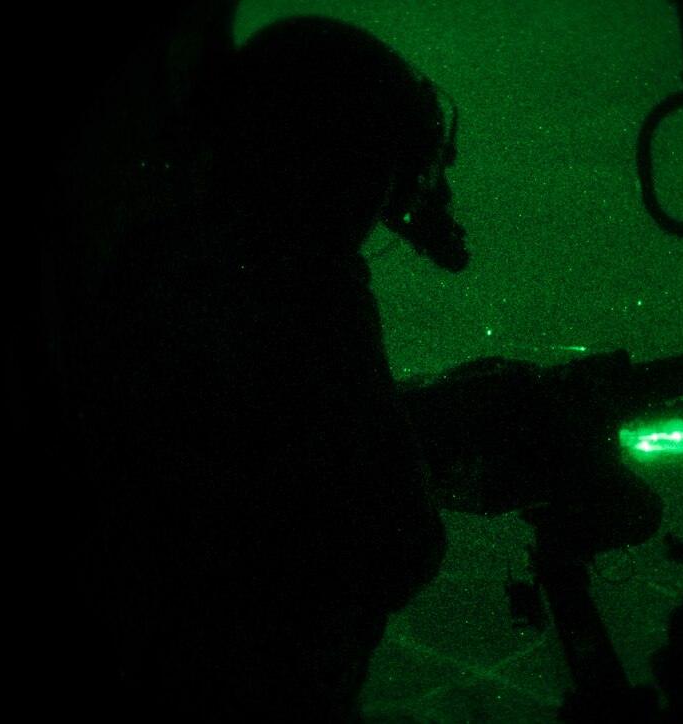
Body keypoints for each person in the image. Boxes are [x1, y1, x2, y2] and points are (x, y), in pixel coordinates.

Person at [73, 10, 466, 721]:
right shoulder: (303, 286)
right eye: (376, 164)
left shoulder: (162, 259)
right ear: (335, 158)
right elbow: (398, 540)